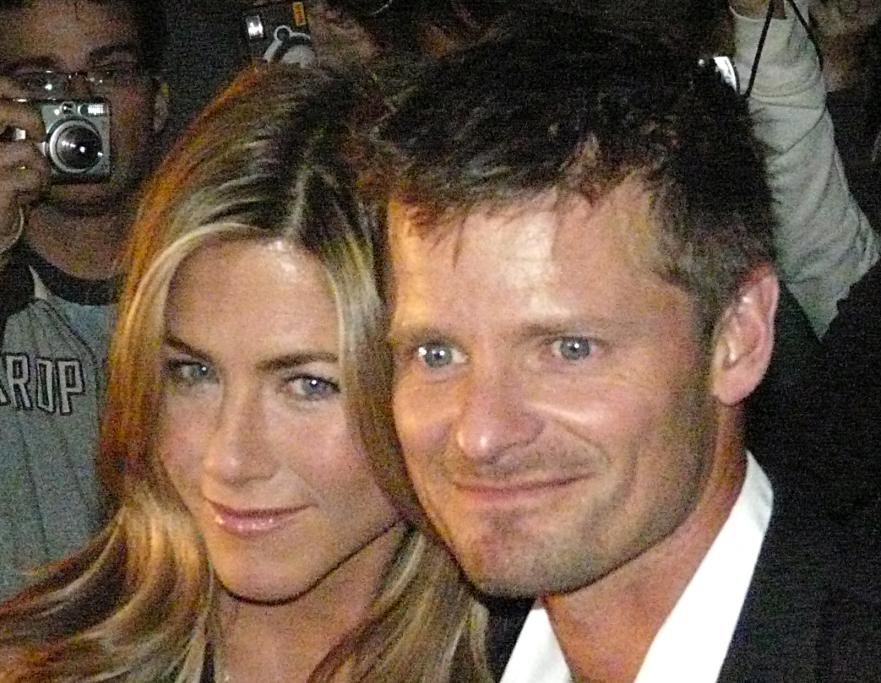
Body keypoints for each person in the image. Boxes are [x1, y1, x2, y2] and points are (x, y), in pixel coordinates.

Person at [362, 15, 877, 681]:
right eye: (436, 354)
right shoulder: (421, 662)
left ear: (738, 335)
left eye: (568, 349)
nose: (480, 434)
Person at [0, 63, 496, 681]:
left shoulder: (552, 659)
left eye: (308, 385)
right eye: (193, 373)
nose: (230, 461)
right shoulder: (39, 665)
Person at [0, 0, 170, 596]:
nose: (78, 104)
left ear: (158, 103)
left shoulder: (212, 291)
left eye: (110, 72)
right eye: (40, 81)